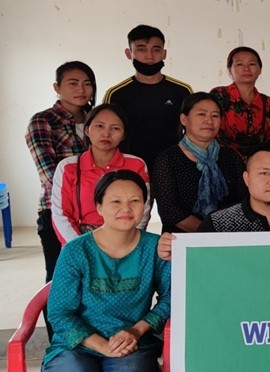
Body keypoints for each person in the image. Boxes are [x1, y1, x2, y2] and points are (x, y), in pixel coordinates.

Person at [44, 170, 170, 372]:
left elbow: (173, 298)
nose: (125, 208)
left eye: (135, 201)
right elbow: (59, 312)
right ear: (98, 206)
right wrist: (100, 344)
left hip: (133, 344)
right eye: (115, 201)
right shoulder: (77, 251)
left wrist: (139, 328)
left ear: (146, 206)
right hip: (77, 345)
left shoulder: (156, 249)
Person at [156, 142, 270, 260]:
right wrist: (174, 251)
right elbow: (200, 272)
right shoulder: (217, 224)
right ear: (247, 179)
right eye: (264, 173)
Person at [26, 61, 96, 338]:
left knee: (94, 279)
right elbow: (50, 174)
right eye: (73, 83)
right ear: (57, 87)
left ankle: (92, 339)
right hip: (58, 213)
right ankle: (59, 341)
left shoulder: (97, 119)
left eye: (87, 83)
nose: (82, 89)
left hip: (99, 216)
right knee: (60, 278)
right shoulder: (43, 121)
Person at [51, 104, 151, 245]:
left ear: (123, 135)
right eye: (99, 126)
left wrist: (127, 243)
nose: (106, 133)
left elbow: (143, 208)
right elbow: (60, 214)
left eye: (115, 128)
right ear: (86, 130)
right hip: (80, 241)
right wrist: (80, 247)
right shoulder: (68, 167)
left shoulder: (136, 164)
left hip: (126, 239)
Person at [103, 24, 192, 175]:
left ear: (164, 53)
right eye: (141, 49)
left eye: (156, 50)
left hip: (173, 166)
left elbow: (192, 131)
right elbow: (106, 134)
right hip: (129, 167)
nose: (149, 56)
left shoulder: (182, 91)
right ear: (128, 53)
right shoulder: (116, 94)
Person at [153, 92, 247, 233]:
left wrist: (224, 235)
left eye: (215, 115)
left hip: (229, 240)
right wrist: (209, 234)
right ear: (184, 119)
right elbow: (169, 210)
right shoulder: (168, 158)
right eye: (202, 114)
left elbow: (244, 202)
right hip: (182, 243)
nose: (209, 121)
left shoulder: (231, 156)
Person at [210, 46, 270, 158]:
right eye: (239, 64)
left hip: (259, 163)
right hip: (221, 160)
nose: (246, 69)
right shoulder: (219, 95)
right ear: (230, 70)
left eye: (252, 64)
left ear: (260, 69)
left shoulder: (268, 102)